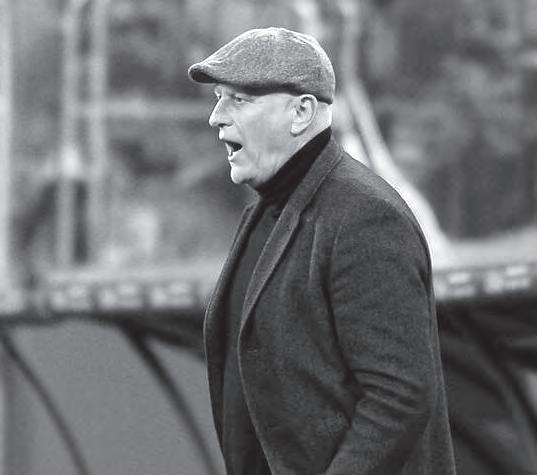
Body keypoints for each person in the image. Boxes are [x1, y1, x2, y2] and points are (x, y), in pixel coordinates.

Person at [188, 27, 456, 475]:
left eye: (239, 100)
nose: (217, 117)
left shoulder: (365, 216)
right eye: (218, 98)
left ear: (302, 112)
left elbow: (399, 395)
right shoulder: (261, 216)